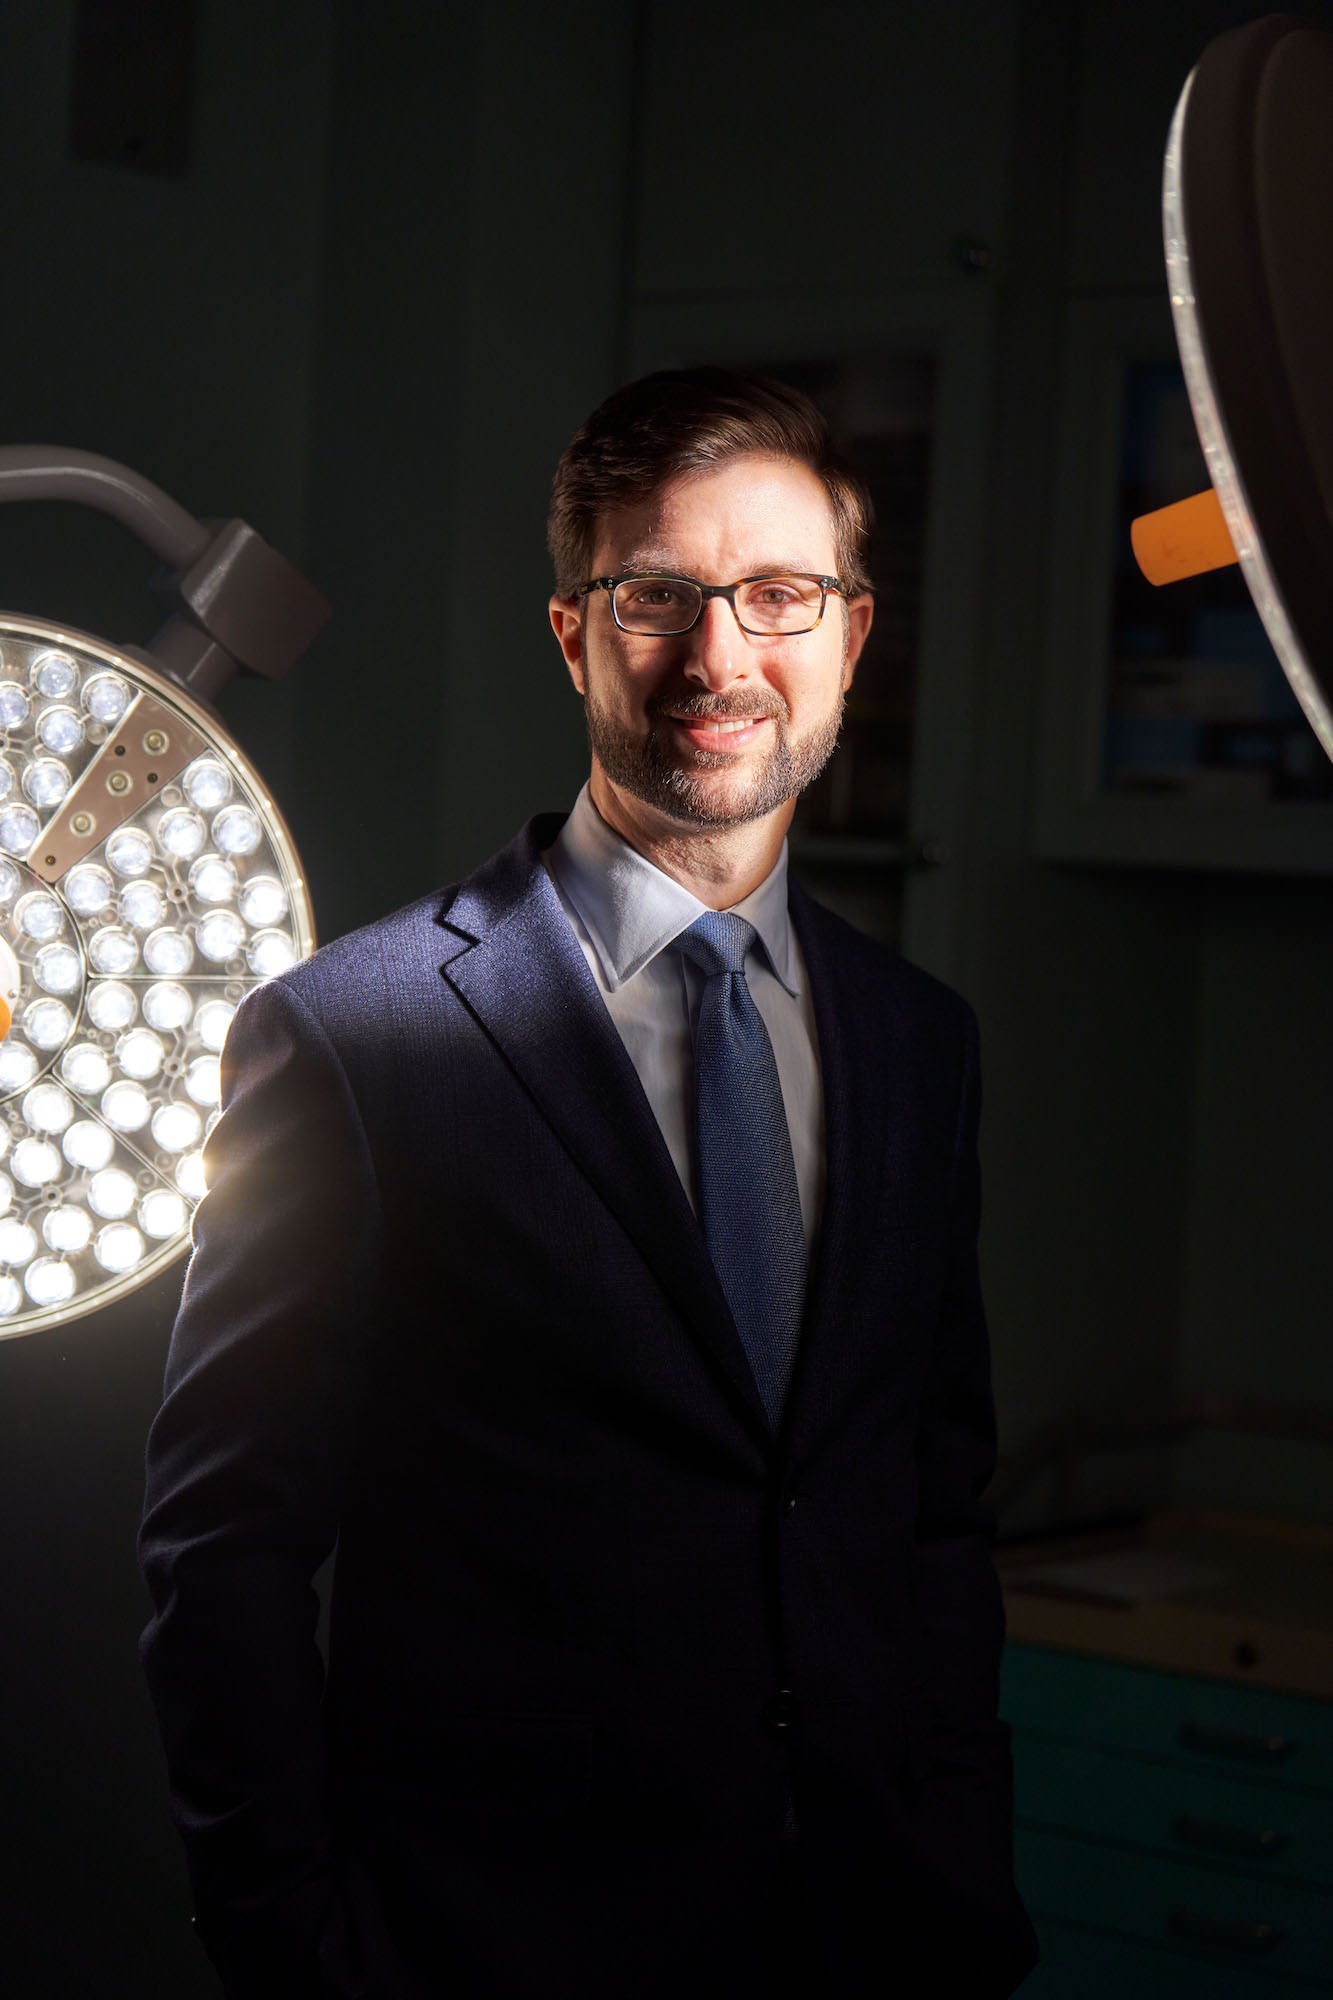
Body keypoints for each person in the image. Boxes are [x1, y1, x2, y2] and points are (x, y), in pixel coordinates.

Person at [139, 367, 1039, 2000]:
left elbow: (927, 1506)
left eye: (775, 596)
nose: (718, 658)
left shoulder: (922, 1047)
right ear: (574, 636)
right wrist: (293, 1947)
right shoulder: (354, 1040)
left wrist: (961, 1865)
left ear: (848, 633)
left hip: (865, 1937)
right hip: (482, 1951)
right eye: (655, 599)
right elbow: (225, 1547)